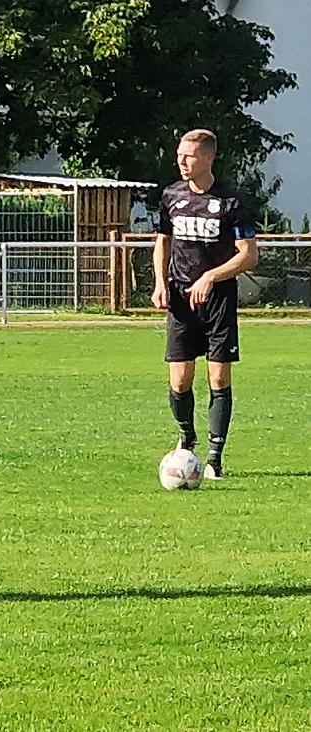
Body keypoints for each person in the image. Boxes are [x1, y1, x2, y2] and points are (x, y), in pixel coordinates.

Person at [152, 129, 258, 479]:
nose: (182, 162)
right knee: (180, 379)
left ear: (208, 158)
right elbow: (162, 242)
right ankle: (186, 438)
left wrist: (211, 276)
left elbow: (249, 256)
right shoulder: (171, 196)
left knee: (218, 375)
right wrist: (159, 282)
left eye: (190, 156)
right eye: (180, 155)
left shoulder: (232, 201)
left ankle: (214, 459)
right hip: (181, 300)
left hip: (217, 301)